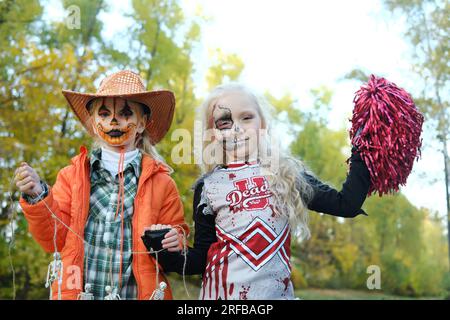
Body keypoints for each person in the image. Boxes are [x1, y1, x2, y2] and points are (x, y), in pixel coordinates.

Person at [150, 83, 371, 300]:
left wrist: (364, 147)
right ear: (213, 133)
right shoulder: (208, 186)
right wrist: (166, 250)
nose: (237, 129)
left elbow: (347, 204)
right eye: (225, 122)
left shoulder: (286, 174)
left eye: (246, 118)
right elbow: (200, 260)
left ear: (262, 123)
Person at [15, 70, 187, 300]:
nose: (113, 121)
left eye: (126, 113)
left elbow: (178, 240)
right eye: (104, 114)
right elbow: (52, 240)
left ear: (142, 122)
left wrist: (174, 239)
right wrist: (37, 195)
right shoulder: (71, 177)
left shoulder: (163, 184)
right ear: (94, 124)